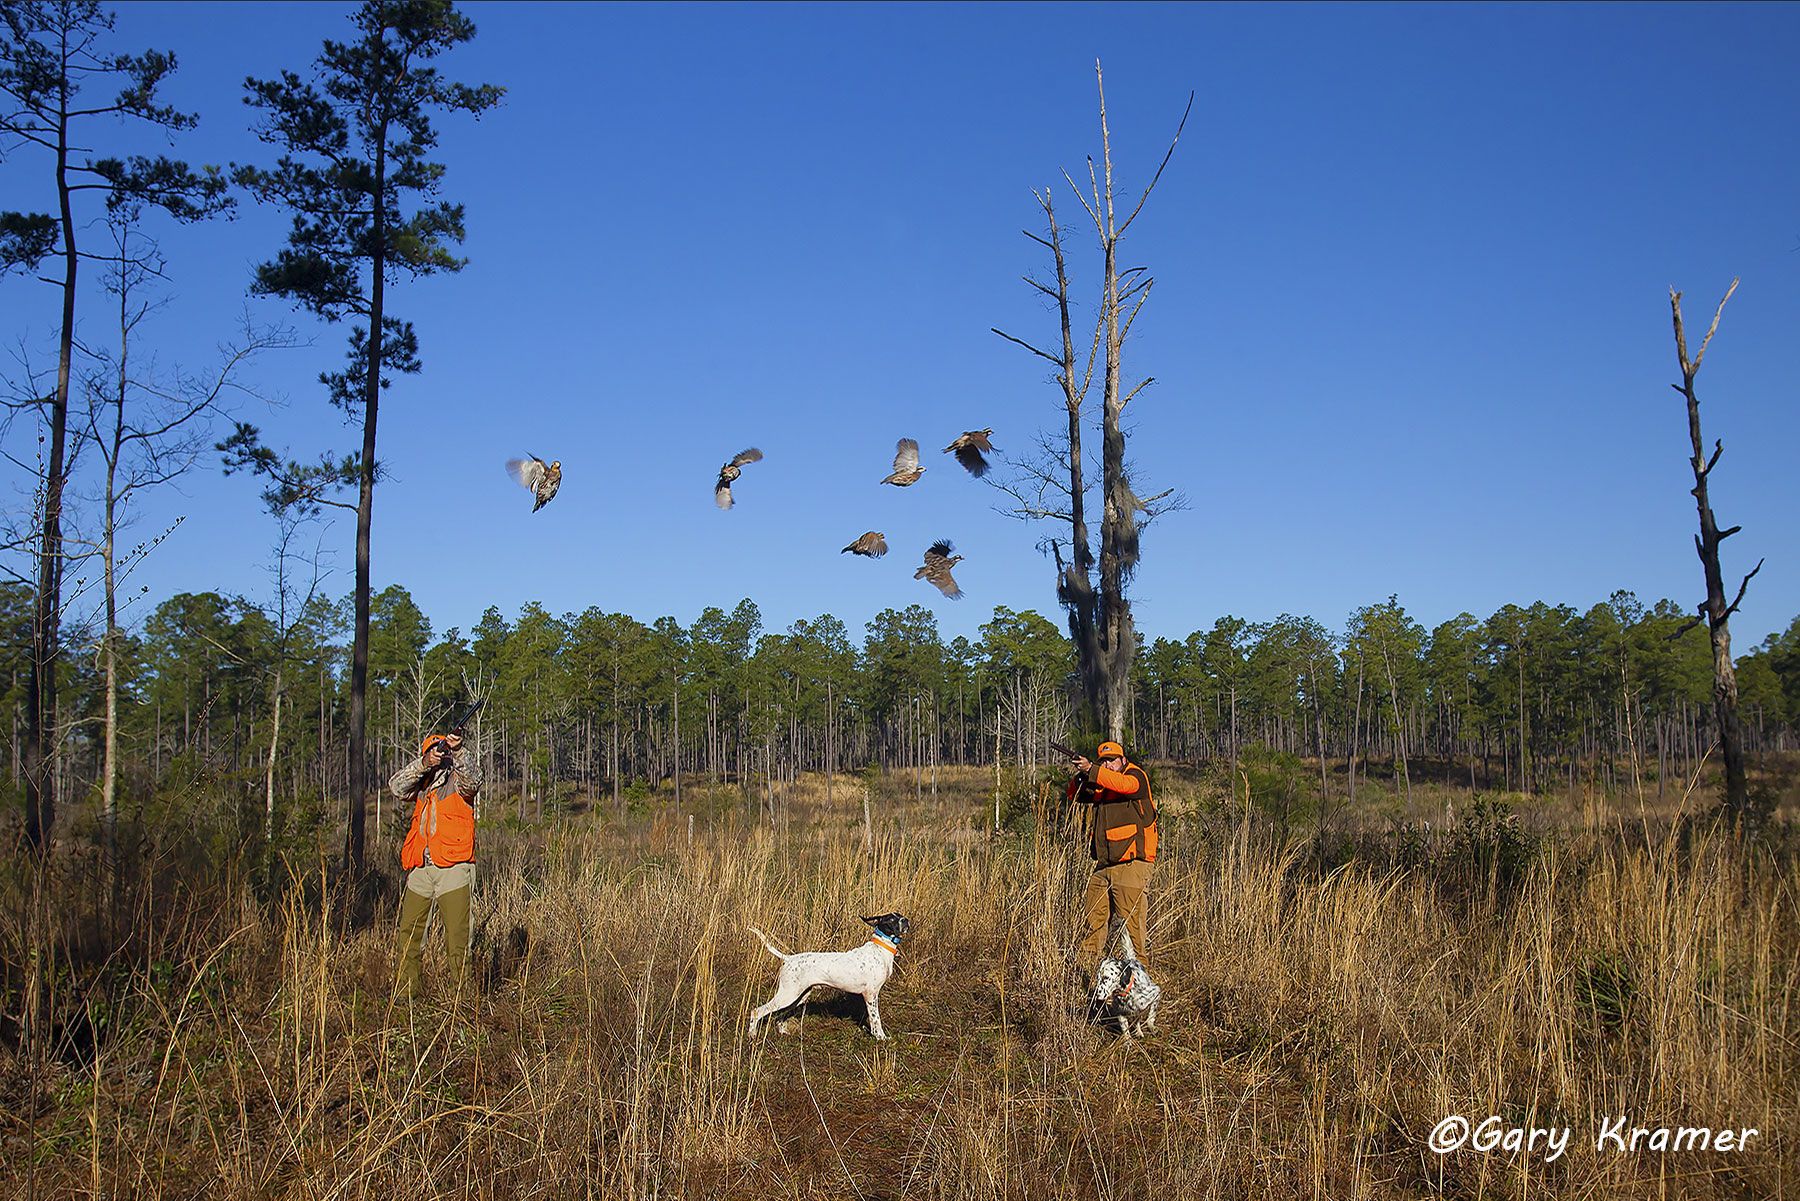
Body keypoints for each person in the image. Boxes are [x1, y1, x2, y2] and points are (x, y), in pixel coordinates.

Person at [390, 731, 482, 996]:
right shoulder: (421, 781)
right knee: (409, 934)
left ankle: (460, 1000)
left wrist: (460, 751)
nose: (440, 755)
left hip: (453, 867)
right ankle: (408, 994)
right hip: (421, 867)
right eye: (435, 750)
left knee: (458, 938)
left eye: (443, 750)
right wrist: (423, 764)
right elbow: (396, 787)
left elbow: (474, 782)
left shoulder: (458, 776)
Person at [1066, 740, 1157, 972]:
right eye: (1103, 761)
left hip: (1132, 863)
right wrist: (1081, 775)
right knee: (1092, 922)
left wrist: (1092, 770)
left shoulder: (1135, 777)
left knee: (1132, 929)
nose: (1108, 764)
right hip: (1104, 865)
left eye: (1112, 760)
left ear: (1123, 760)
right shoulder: (1101, 784)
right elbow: (1074, 795)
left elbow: (1123, 785)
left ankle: (1139, 984)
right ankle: (1086, 975)